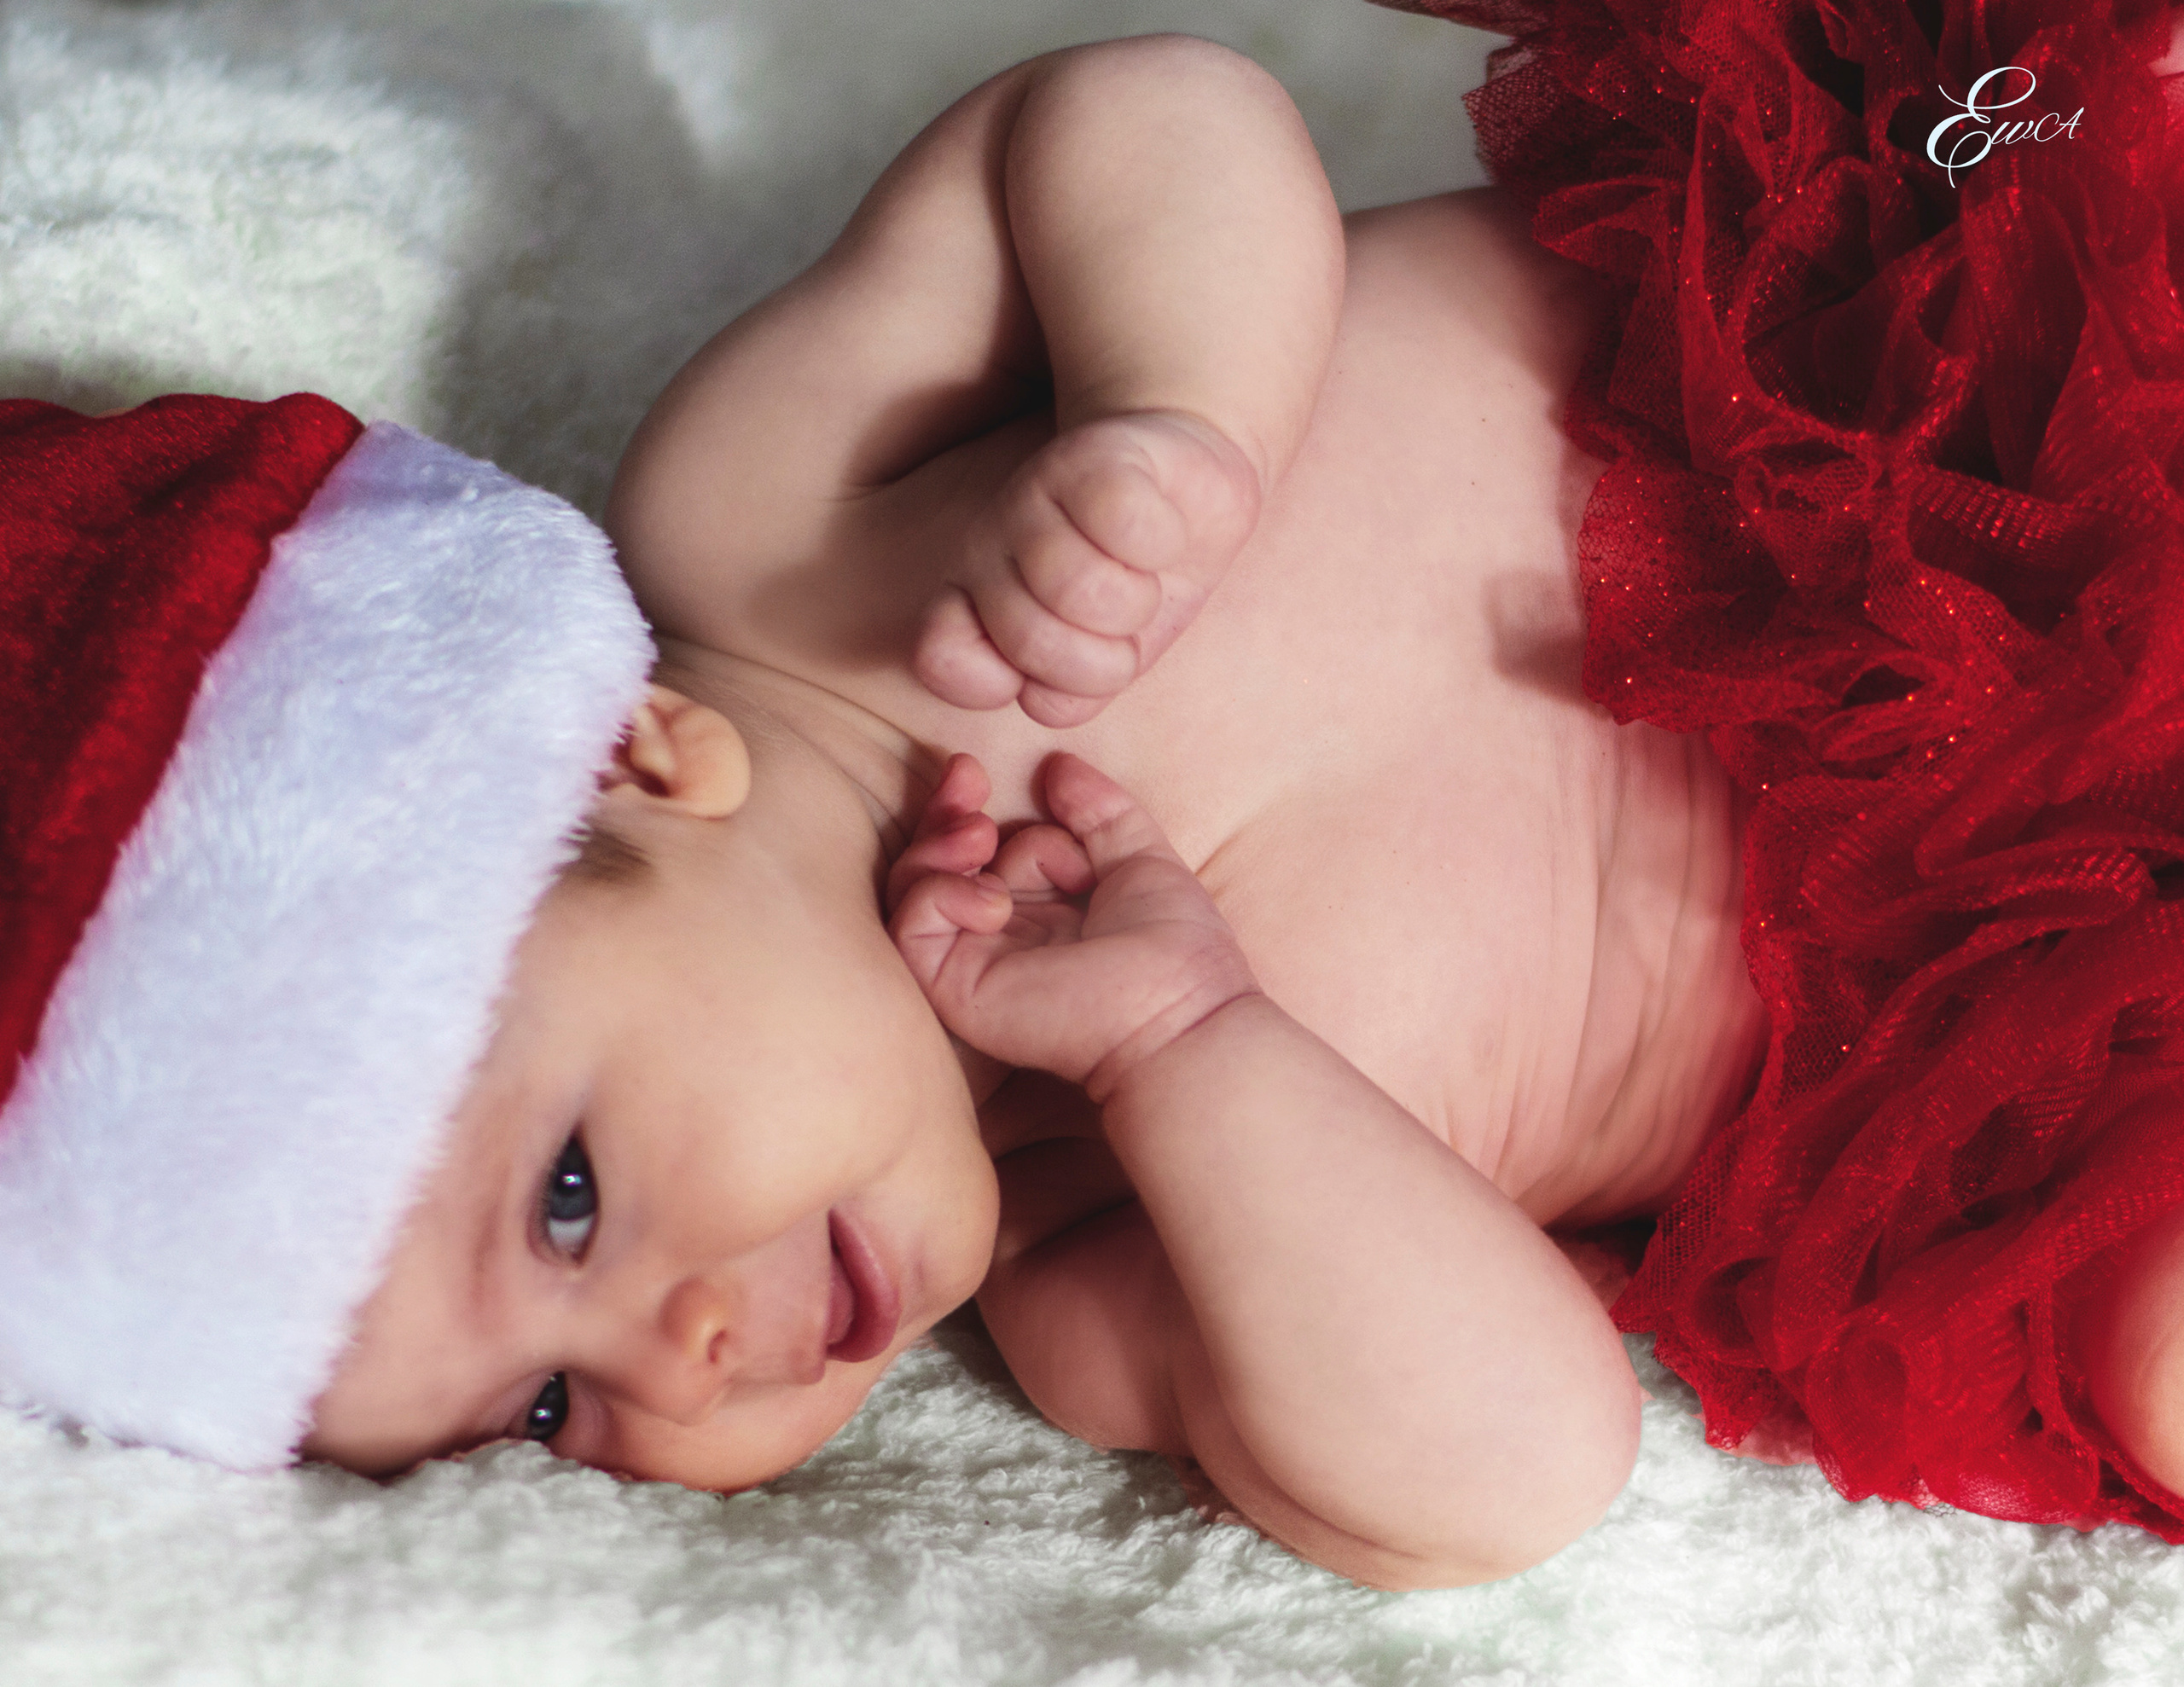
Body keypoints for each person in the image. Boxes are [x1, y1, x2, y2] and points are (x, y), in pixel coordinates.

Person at [4, 0, 2179, 1593]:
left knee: (2063, 107)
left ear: (613, 766)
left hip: (1973, 439)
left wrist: (1163, 407)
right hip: (2034, 1035)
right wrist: (1182, 1052)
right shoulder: (1078, 1246)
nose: (671, 1362)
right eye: (543, 1416)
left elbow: (1141, 116)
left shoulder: (775, 532)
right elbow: (1515, 1463)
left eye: (568, 1199)